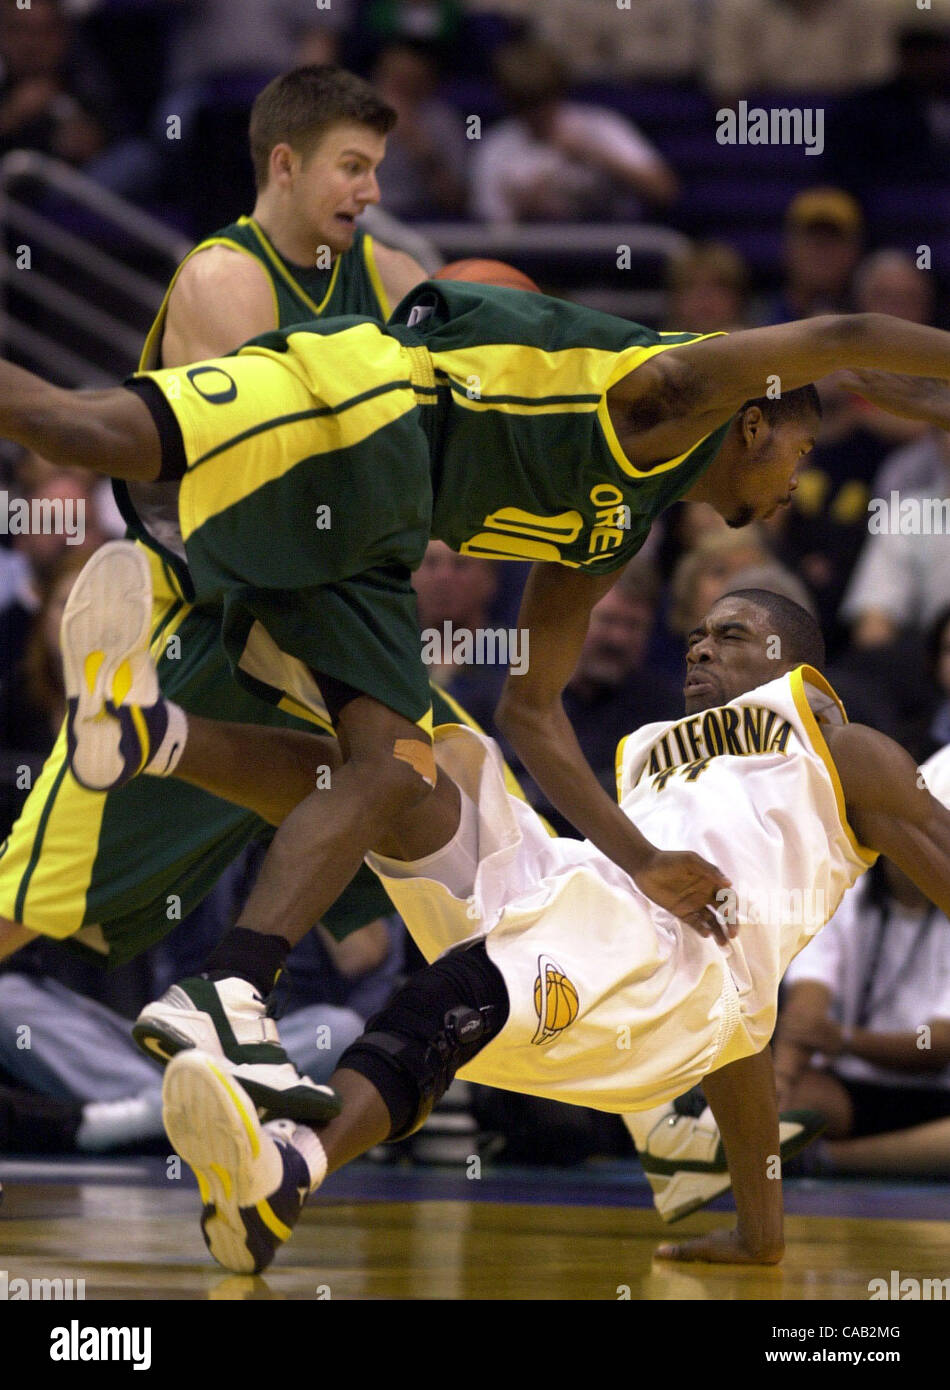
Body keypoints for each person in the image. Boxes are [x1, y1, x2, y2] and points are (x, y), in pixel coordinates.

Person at [4, 264, 950, 1117]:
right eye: (798, 455)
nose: (795, 486)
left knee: (388, 766)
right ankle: (226, 968)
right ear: (752, 421)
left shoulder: (609, 532)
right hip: (358, 404)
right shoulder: (673, 393)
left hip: (367, 535)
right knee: (69, 427)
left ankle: (162, 778)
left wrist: (642, 861)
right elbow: (844, 339)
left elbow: (530, 714)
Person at [147, 587, 950, 1273]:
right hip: (590, 893)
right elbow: (740, 1031)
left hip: (656, 967)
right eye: (697, 635)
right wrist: (759, 1235)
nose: (700, 648)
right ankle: (155, 736)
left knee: (460, 988)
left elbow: (733, 1007)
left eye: (729, 636)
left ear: (789, 659)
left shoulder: (837, 747)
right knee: (398, 774)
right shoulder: (652, 755)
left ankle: (289, 1165)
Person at [0, 63, 493, 1121]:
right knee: (25, 904)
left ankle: (251, 1033)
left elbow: (467, 405)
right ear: (284, 163)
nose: (368, 190)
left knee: (462, 805)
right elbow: (275, 486)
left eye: (376, 168)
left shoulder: (395, 269)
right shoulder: (225, 283)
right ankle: (227, 984)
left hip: (327, 625)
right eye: (349, 168)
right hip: (217, 620)